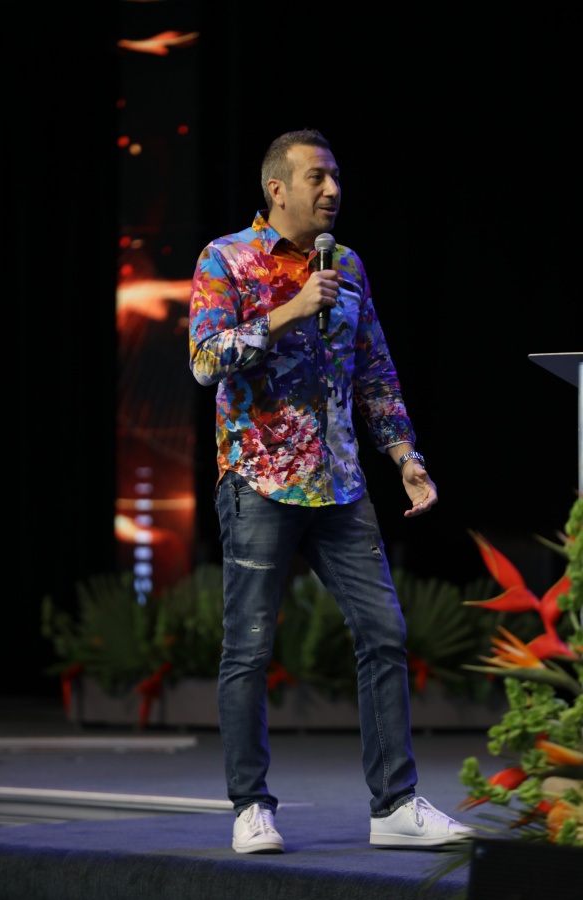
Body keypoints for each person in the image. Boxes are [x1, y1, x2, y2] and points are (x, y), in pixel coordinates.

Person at [189, 129, 473, 853]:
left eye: (337, 177)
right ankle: (251, 806)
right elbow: (204, 359)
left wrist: (405, 456)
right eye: (317, 177)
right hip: (258, 481)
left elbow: (375, 372)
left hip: (341, 485)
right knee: (249, 648)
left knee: (385, 633)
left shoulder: (346, 265)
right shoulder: (226, 258)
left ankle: (394, 805)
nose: (333, 190)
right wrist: (288, 309)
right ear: (276, 188)